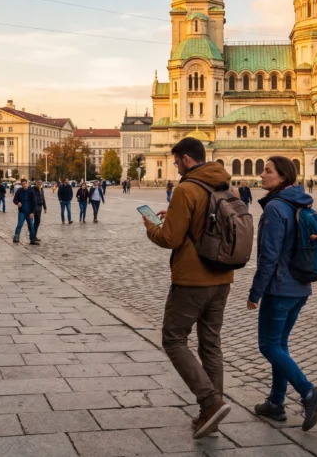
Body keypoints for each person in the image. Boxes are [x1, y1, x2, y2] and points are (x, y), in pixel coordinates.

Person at [142, 137, 234, 439]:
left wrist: (151, 227)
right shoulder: (225, 186)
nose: (175, 166)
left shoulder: (185, 189)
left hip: (192, 280)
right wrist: (178, 220)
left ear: (185, 159)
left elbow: (170, 239)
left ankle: (209, 401)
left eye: (176, 161)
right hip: (222, 277)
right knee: (210, 343)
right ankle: (212, 415)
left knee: (173, 339)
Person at [247, 156, 317, 431]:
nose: (261, 175)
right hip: (301, 287)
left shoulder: (275, 208)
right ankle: (275, 402)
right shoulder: (299, 202)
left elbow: (268, 257)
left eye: (267, 171)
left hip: (280, 288)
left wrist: (255, 292)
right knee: (279, 346)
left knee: (269, 346)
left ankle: (309, 393)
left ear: (282, 177)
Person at [13, 178, 38, 245]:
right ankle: (16, 238)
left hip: (30, 212)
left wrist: (33, 212)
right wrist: (17, 202)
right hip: (22, 212)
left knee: (31, 226)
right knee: (19, 225)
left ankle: (32, 240)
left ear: (27, 183)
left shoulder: (31, 191)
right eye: (22, 184)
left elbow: (34, 202)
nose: (24, 185)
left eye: (24, 184)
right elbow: (15, 200)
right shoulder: (19, 191)